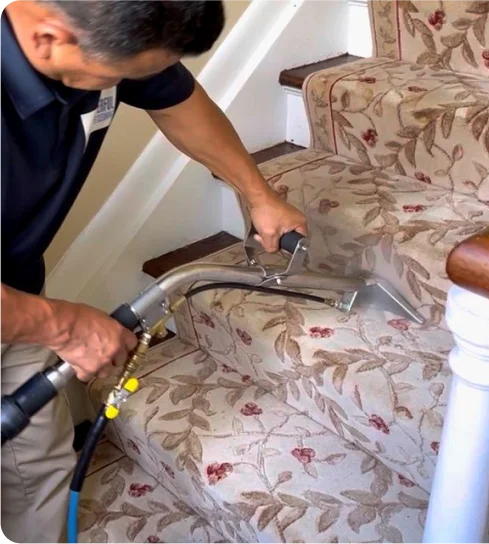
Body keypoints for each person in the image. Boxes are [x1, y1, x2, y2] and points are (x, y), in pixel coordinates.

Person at [0, 0, 308, 542]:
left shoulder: (103, 31)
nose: (129, 84)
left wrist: (257, 194)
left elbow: (178, 103)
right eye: (120, 75)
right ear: (47, 39)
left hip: (19, 295)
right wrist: (63, 326)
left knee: (36, 465)